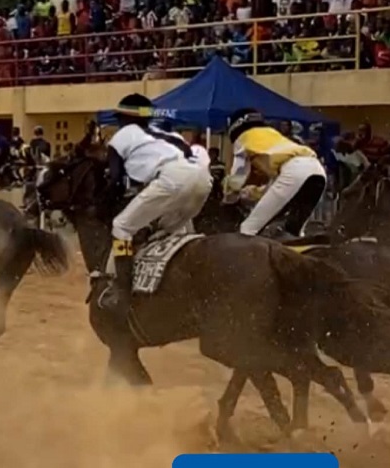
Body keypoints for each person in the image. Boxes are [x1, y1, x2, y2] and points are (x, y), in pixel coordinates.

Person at [102, 93, 212, 319]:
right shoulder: (171, 135)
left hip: (171, 179)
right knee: (169, 231)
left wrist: (105, 204)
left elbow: (115, 181)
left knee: (121, 226)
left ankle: (122, 289)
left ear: (123, 118)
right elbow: (190, 157)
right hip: (203, 179)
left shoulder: (121, 136)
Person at [225, 107, 326, 238]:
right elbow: (279, 184)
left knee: (247, 229)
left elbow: (237, 177)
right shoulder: (272, 134)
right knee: (294, 230)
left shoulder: (243, 138)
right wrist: (256, 192)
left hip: (294, 170)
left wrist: (229, 196)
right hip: (317, 169)